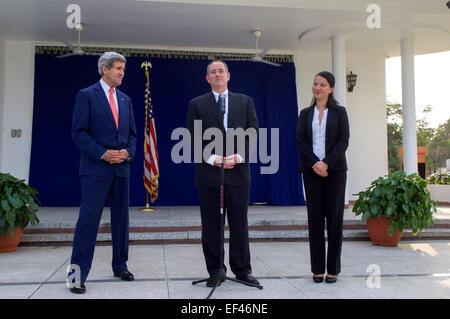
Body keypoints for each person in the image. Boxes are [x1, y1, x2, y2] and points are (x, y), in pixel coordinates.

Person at [186, 60, 260, 287]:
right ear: (207, 79)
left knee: (239, 223)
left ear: (228, 76)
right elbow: (192, 135)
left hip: (238, 173)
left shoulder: (245, 102)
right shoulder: (197, 104)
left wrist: (238, 156)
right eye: (212, 72)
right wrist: (211, 158)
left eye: (221, 71)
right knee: (211, 225)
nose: (217, 74)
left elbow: (253, 133)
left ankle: (242, 270)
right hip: (209, 175)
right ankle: (216, 270)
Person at [68, 52, 137, 293]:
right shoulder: (86, 95)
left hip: (122, 169)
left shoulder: (126, 100)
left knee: (121, 222)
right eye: (117, 68)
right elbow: (79, 133)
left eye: (123, 69)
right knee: (88, 223)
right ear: (104, 69)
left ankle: (120, 265)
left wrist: (127, 153)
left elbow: (133, 136)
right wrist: (103, 153)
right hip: (95, 169)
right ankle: (76, 277)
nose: (121, 73)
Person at [296, 71, 350, 284]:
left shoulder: (339, 112)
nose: (317, 87)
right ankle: (317, 269)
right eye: (315, 84)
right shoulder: (305, 114)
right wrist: (316, 164)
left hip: (335, 172)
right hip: (312, 172)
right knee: (315, 220)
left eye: (322, 84)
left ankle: (333, 269)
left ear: (331, 88)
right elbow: (300, 142)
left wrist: (326, 162)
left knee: (335, 220)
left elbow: (343, 141)